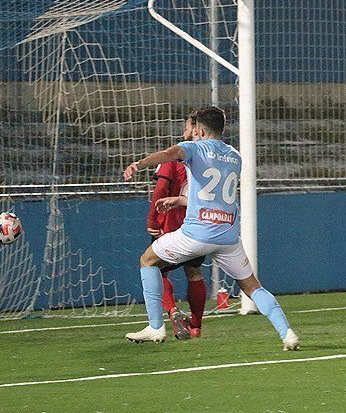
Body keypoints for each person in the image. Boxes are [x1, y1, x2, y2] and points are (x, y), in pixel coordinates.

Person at [123, 106, 300, 350]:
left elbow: (168, 153)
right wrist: (182, 200)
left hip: (196, 233)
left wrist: (139, 164)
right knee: (252, 287)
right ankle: (287, 333)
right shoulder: (235, 156)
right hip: (228, 237)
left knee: (148, 260)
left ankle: (155, 327)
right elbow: (214, 195)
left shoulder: (194, 148)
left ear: (201, 130)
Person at [146, 114, 207, 340]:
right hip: (199, 224)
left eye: (186, 126)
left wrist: (152, 220)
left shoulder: (174, 156)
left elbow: (161, 189)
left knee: (154, 268)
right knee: (194, 272)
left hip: (171, 223)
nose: (183, 130)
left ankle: (172, 311)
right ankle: (196, 326)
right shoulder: (210, 158)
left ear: (195, 129)